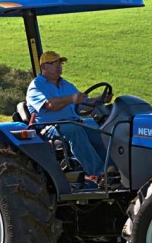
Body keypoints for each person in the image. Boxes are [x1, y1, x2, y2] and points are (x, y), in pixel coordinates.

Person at [26, 50, 112, 180]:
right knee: (74, 130)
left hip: (73, 121)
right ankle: (98, 173)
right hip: (51, 127)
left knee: (101, 130)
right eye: (54, 63)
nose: (59, 66)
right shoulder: (36, 86)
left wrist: (101, 98)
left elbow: (82, 102)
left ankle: (113, 171)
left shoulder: (66, 84)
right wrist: (71, 98)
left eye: (60, 63)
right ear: (44, 66)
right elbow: (50, 105)